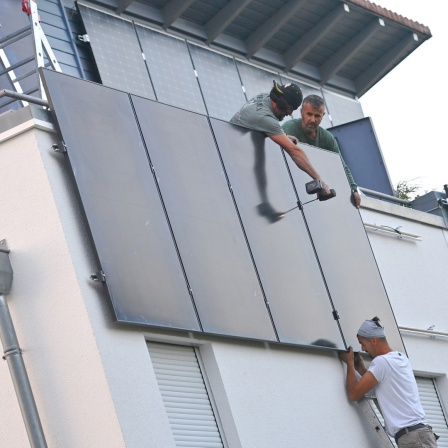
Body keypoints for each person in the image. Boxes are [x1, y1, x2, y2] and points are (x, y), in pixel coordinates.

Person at [339, 317, 439, 447]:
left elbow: (353, 394)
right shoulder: (401, 358)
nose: (362, 349)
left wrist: (350, 363)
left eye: (363, 343)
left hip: (413, 438)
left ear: (374, 340)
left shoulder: (382, 362)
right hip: (420, 434)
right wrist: (361, 368)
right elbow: (382, 384)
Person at [230, 81, 332, 199]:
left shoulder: (264, 97)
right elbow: (295, 152)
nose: (290, 114)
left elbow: (260, 125)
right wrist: (319, 180)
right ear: (285, 105)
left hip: (235, 144)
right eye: (291, 109)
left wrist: (282, 136)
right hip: (233, 154)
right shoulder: (266, 119)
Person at [282, 95, 361, 208]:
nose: (313, 120)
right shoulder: (289, 128)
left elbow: (341, 166)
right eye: (309, 114)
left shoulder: (327, 138)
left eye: (317, 116)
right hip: (291, 189)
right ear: (301, 112)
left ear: (323, 116)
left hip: (318, 199)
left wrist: (353, 189)